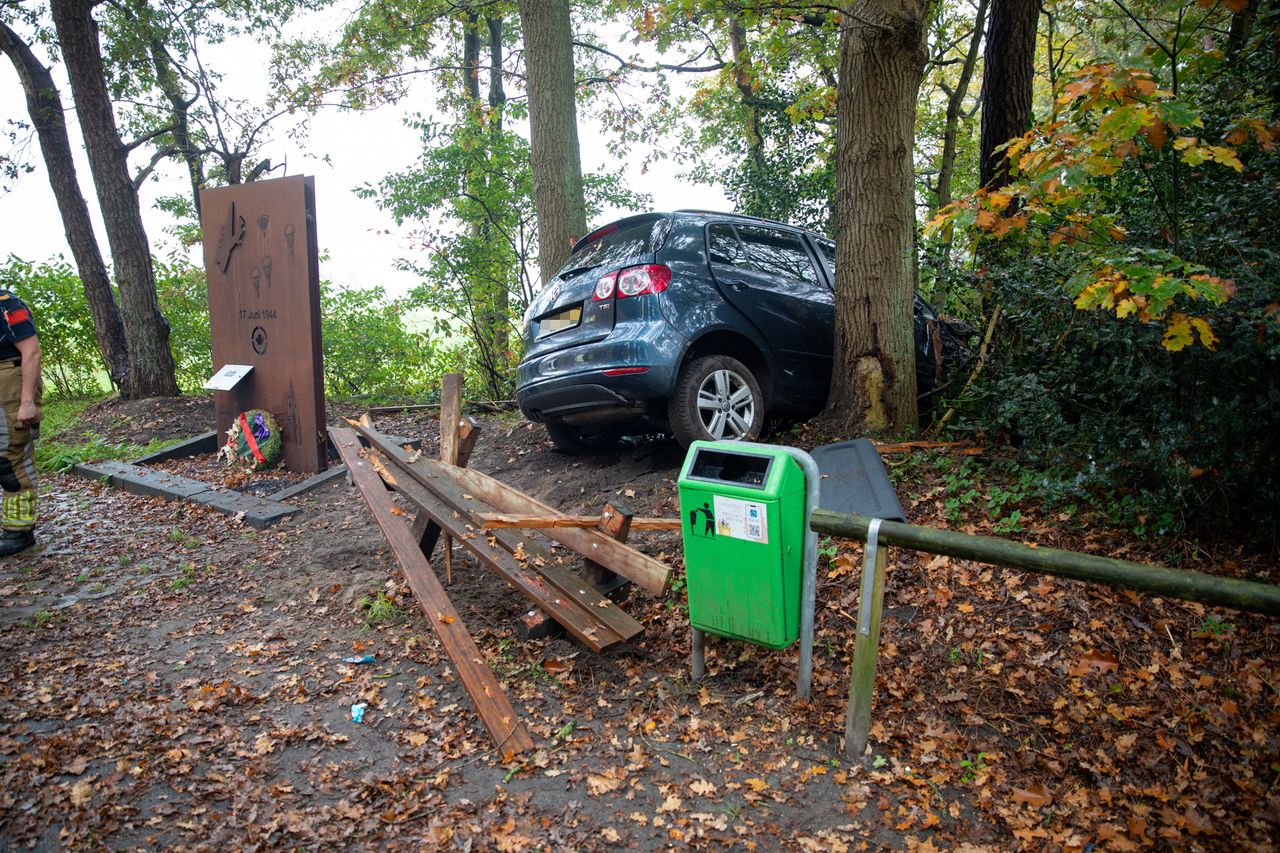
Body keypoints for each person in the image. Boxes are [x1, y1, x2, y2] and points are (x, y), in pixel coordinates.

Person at [0, 290, 41, 556]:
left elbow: (31, 353)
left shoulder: (7, 304)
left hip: (9, 386)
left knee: (9, 459)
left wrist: (27, 402)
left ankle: (19, 532)